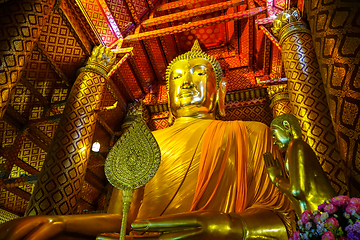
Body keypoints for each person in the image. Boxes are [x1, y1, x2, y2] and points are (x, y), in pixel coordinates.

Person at [0, 41, 293, 240]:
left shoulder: (252, 132)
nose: (187, 83)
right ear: (167, 93)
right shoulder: (144, 141)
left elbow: (284, 218)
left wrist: (229, 225)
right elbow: (122, 220)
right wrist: (61, 221)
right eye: (177, 78)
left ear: (220, 91)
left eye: (198, 73)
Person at [263, 113, 336, 217]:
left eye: (274, 134)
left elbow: (297, 191)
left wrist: (276, 178)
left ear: (286, 126)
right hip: (316, 217)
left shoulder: (296, 145)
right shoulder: (292, 150)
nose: (274, 142)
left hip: (323, 215)